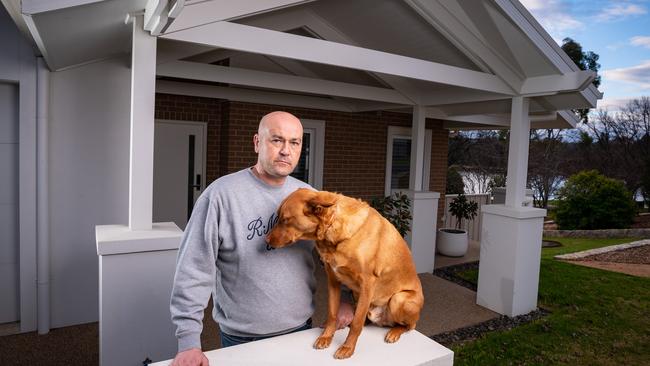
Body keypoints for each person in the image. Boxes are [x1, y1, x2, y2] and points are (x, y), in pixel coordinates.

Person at [170, 111, 354, 366]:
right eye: (276, 140)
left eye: (294, 142)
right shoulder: (221, 196)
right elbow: (193, 270)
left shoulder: (311, 198)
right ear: (257, 142)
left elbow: (344, 251)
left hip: (301, 329)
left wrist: (347, 298)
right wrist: (188, 341)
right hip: (242, 339)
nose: (286, 150)